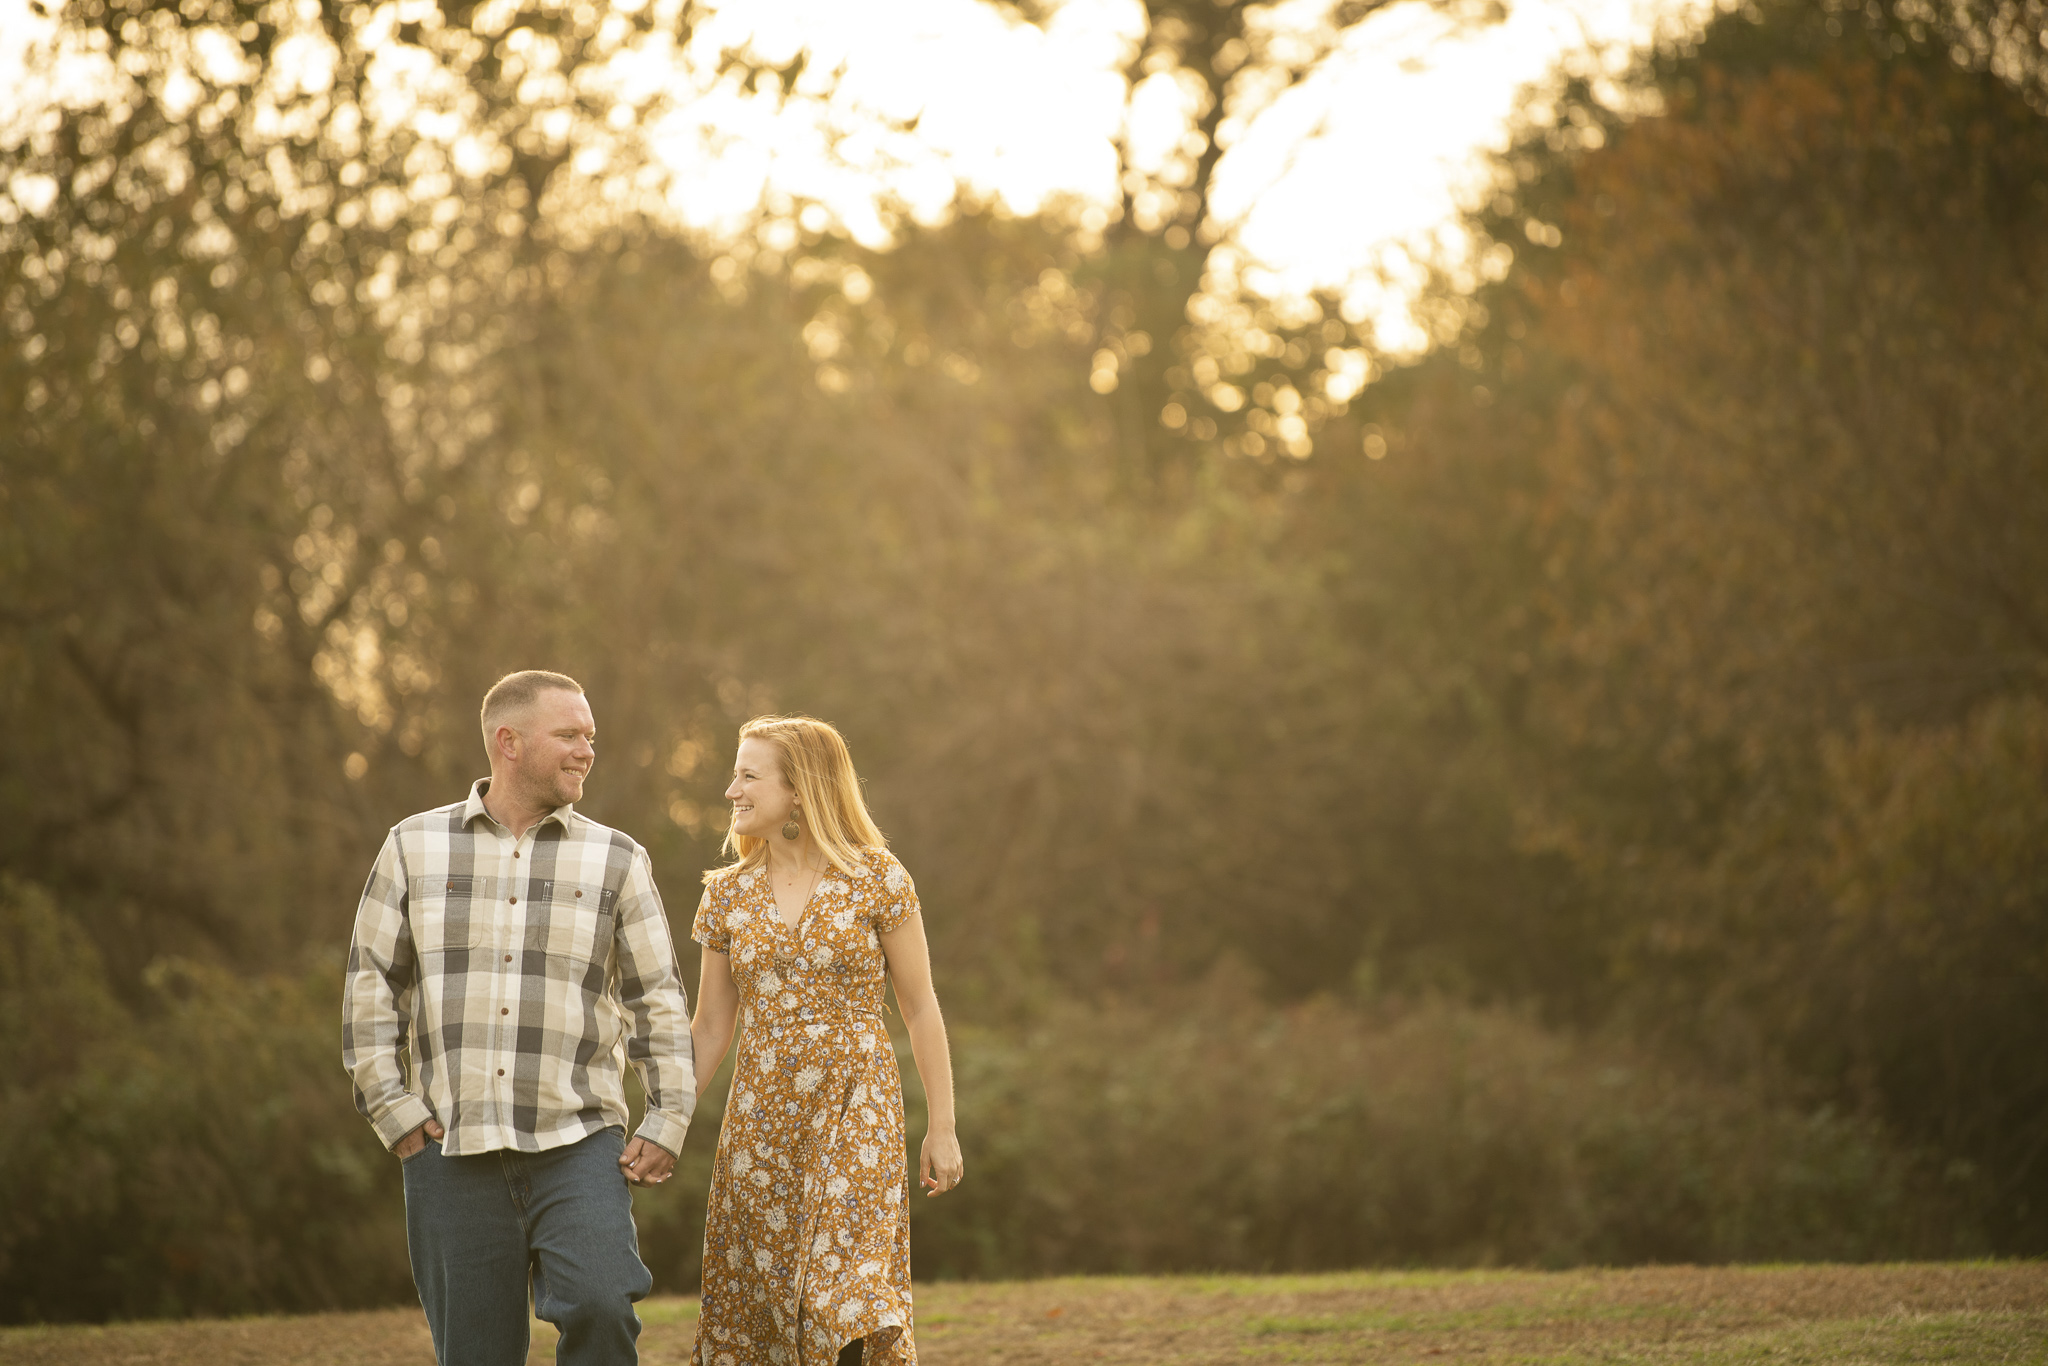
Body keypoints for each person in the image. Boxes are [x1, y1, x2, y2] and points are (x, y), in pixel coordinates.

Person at [343, 670, 695, 1366]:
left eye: (590, 737)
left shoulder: (617, 859)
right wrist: (393, 1108)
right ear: (508, 741)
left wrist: (668, 1117)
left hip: (579, 1141)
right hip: (452, 1149)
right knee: (475, 1355)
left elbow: (656, 995)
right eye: (569, 734)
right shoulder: (413, 847)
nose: (586, 750)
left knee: (601, 1305)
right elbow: (371, 985)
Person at [689, 715, 962, 1366]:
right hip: (761, 1126)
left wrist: (943, 1126)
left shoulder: (878, 877)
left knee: (840, 1299)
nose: (732, 790)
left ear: (801, 791)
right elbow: (710, 1026)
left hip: (856, 1114)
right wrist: (661, 1128)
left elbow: (921, 1007)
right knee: (768, 1307)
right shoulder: (726, 895)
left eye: (749, 776)